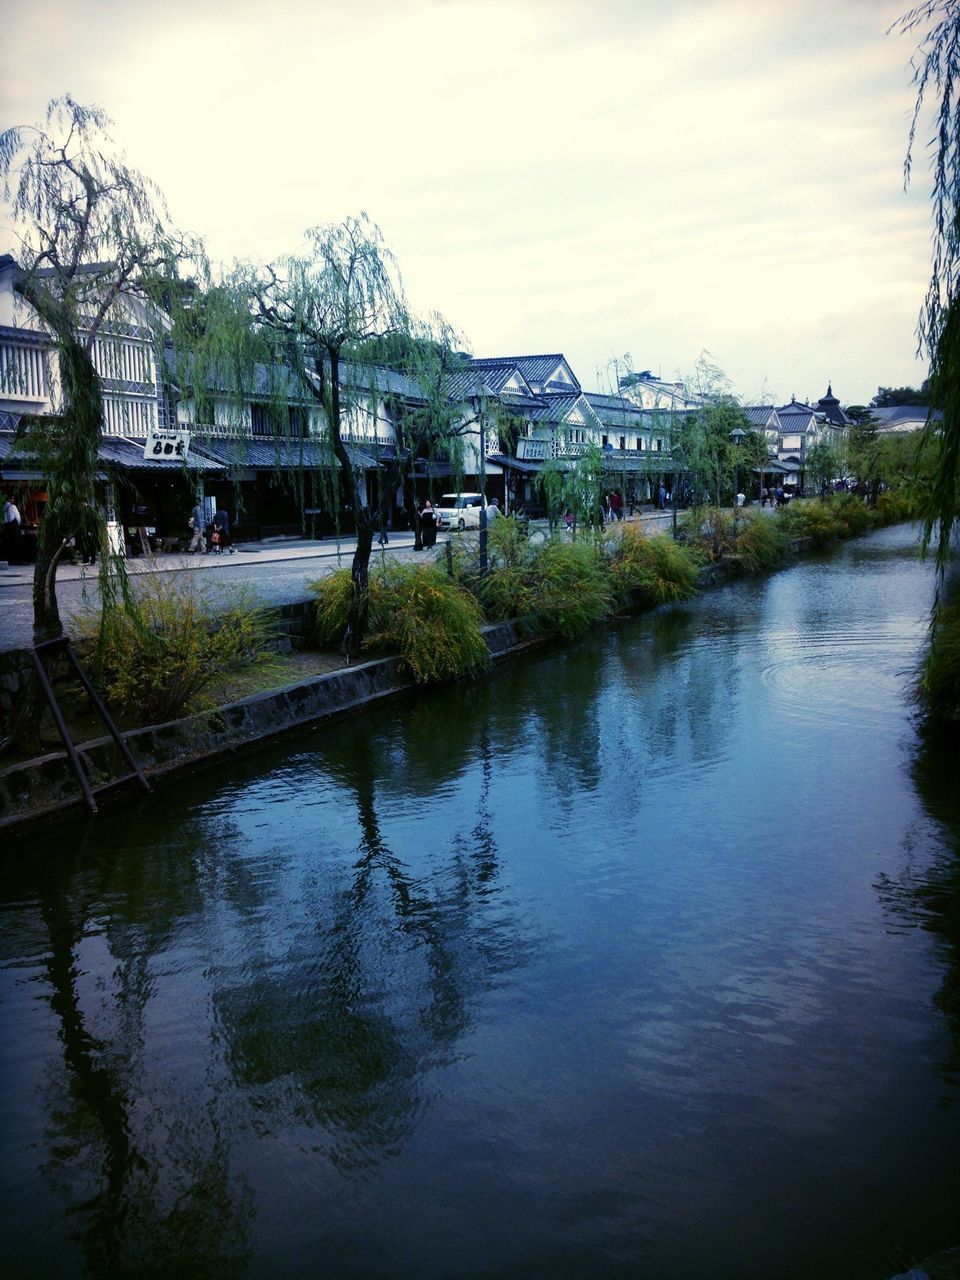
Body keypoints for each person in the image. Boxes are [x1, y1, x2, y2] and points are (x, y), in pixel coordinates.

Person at [3, 495, 22, 565]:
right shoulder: (12, 506)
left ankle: (10, 559)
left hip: (7, 526)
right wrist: (18, 524)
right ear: (9, 499)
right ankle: (17, 560)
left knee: (9, 543)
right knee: (17, 543)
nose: (13, 500)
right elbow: (17, 516)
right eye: (13, 498)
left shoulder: (4, 507)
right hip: (14, 525)